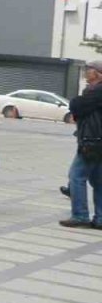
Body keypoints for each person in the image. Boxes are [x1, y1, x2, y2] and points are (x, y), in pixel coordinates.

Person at [61, 59, 102, 228]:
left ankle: (80, 215)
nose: (86, 72)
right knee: (99, 180)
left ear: (98, 73)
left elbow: (76, 105)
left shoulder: (96, 91)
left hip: (92, 140)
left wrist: (76, 103)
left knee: (76, 176)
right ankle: (100, 218)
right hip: (96, 140)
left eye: (89, 70)